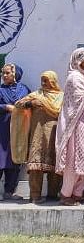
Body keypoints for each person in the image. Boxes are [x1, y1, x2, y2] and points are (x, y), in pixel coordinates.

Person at [11, 71, 62, 203]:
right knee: (35, 167)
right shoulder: (36, 95)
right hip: (37, 136)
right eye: (42, 80)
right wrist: (30, 104)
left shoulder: (61, 96)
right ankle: (35, 196)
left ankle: (52, 194)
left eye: (46, 80)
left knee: (55, 167)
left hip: (54, 135)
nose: (43, 83)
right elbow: (18, 104)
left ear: (53, 81)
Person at [54, 48, 84, 205]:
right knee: (72, 160)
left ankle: (77, 192)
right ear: (79, 60)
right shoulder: (74, 77)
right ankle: (66, 194)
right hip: (75, 125)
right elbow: (81, 99)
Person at [0, 63, 29, 199]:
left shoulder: (24, 90)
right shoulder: (0, 90)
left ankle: (10, 191)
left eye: (7, 73)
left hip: (19, 130)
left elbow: (31, 103)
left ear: (15, 74)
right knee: (1, 158)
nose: (4, 76)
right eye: (3, 73)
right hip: (2, 130)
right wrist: (5, 106)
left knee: (15, 159)